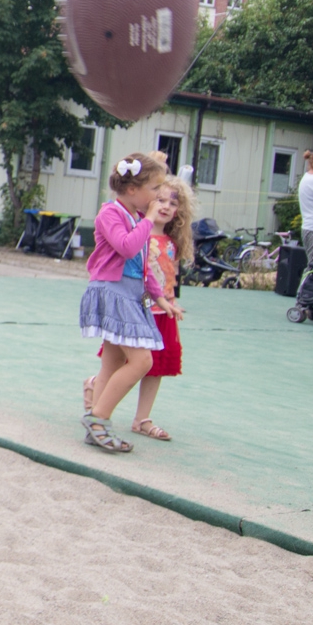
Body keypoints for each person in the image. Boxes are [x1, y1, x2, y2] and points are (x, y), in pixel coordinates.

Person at [80, 153, 183, 452]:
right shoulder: (111, 214)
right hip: (113, 293)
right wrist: (149, 220)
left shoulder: (137, 218)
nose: (157, 198)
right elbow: (126, 248)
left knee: (114, 361)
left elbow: (143, 267)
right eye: (154, 190)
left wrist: (161, 299)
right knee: (142, 361)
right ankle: (99, 420)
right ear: (132, 190)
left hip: (129, 293)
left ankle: (95, 421)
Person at [121, 178, 192, 440]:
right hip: (140, 308)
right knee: (127, 361)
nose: (166, 206)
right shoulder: (141, 232)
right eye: (160, 200)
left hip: (164, 312)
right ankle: (98, 387)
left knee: (156, 367)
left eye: (172, 203)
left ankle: (142, 419)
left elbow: (167, 275)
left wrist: (169, 301)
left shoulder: (172, 240)